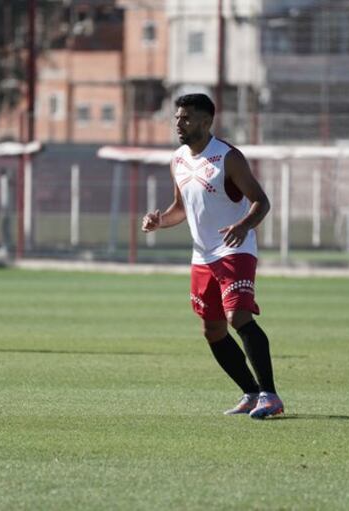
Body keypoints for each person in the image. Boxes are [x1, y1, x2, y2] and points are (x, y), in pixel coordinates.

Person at [142, 93, 284, 419]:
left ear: (206, 122)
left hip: (235, 249)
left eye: (187, 118)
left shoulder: (228, 157)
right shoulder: (178, 159)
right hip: (202, 255)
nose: (179, 123)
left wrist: (243, 225)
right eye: (177, 117)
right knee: (213, 331)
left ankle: (270, 396)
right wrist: (160, 220)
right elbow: (180, 208)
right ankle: (250, 392)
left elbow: (261, 201)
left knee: (239, 318)